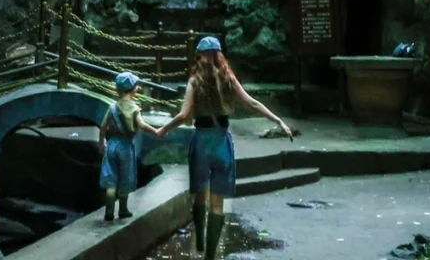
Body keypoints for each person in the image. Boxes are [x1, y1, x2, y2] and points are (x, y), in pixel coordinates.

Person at [158, 36, 293, 259]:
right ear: (220, 55)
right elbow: (252, 103)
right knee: (218, 203)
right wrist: (278, 121)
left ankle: (199, 238)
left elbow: (183, 115)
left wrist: (164, 129)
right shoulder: (229, 79)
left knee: (200, 191)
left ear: (198, 56)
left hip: (201, 141)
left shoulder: (194, 82)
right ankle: (210, 255)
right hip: (222, 142)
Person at [98, 71, 162, 222]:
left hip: (112, 144)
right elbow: (141, 125)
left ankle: (109, 211)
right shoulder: (134, 109)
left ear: (117, 90)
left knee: (111, 178)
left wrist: (102, 142)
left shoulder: (112, 108)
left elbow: (102, 127)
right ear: (133, 89)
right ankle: (123, 209)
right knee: (125, 178)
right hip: (126, 146)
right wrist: (156, 131)